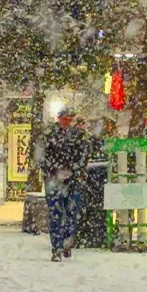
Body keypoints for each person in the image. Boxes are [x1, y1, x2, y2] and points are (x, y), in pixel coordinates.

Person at [37, 108, 90, 262]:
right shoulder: (49, 134)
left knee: (72, 213)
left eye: (70, 119)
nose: (68, 122)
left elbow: (85, 154)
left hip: (73, 179)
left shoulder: (79, 135)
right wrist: (53, 170)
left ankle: (67, 241)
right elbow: (41, 155)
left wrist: (73, 169)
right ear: (59, 118)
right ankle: (57, 248)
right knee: (55, 214)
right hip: (53, 180)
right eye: (66, 119)